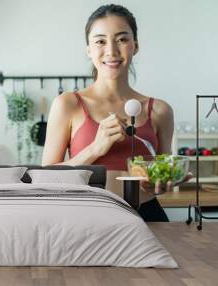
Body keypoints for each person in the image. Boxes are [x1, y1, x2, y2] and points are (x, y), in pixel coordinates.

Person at [42, 4, 175, 222]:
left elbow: (163, 176)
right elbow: (44, 178)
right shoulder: (68, 104)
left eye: (122, 39)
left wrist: (164, 182)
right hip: (86, 218)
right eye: (100, 41)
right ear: (89, 49)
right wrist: (95, 148)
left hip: (147, 217)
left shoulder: (160, 110)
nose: (111, 51)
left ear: (136, 45)